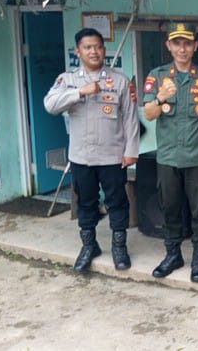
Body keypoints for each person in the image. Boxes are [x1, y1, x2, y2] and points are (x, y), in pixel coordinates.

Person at [44, 27, 140, 273]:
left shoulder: (119, 80)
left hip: (112, 156)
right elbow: (50, 105)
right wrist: (79, 92)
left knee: (117, 202)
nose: (94, 51)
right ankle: (89, 246)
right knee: (86, 202)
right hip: (81, 157)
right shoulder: (67, 80)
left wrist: (131, 150)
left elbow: (130, 118)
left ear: (104, 50)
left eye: (98, 46)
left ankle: (119, 247)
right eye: (88, 47)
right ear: (78, 51)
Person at [143, 22, 198, 283]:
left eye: (187, 43)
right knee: (170, 208)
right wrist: (160, 97)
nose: (182, 48)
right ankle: (173, 254)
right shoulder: (157, 76)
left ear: (195, 46)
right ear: (169, 45)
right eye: (177, 43)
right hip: (168, 157)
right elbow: (149, 114)